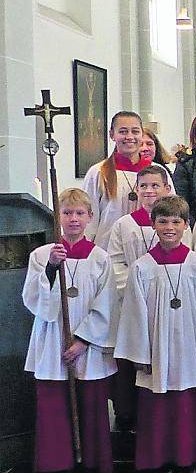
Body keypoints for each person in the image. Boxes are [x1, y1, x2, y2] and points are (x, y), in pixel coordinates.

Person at [113, 196, 196, 471]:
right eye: (163, 221)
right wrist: (140, 354)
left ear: (186, 225)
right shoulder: (142, 266)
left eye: (175, 221)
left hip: (190, 347)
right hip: (155, 349)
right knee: (155, 403)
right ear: (153, 224)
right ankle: (156, 459)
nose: (169, 227)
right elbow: (134, 314)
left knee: (186, 401)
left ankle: (186, 459)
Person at [23, 188, 116, 473]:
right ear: (58, 217)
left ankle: (93, 464)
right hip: (53, 341)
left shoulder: (100, 257)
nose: (73, 219)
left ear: (90, 217)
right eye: (66, 213)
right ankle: (56, 464)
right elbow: (32, 299)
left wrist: (82, 341)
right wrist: (51, 268)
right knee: (54, 410)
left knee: (90, 409)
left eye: (79, 213)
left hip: (87, 347)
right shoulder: (42, 255)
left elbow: (107, 303)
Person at [106, 165, 189, 429]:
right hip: (134, 305)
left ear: (167, 188)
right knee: (135, 359)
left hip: (172, 306)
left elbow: (188, 260)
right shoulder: (123, 225)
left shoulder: (177, 221)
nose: (149, 191)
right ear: (137, 190)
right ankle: (128, 413)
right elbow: (115, 264)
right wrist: (138, 290)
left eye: (155, 185)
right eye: (144, 186)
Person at [83, 111, 165, 247]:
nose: (130, 137)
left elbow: (170, 211)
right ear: (112, 135)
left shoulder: (157, 172)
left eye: (135, 131)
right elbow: (89, 219)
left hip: (151, 247)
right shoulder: (98, 172)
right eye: (123, 131)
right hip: (107, 248)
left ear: (141, 134)